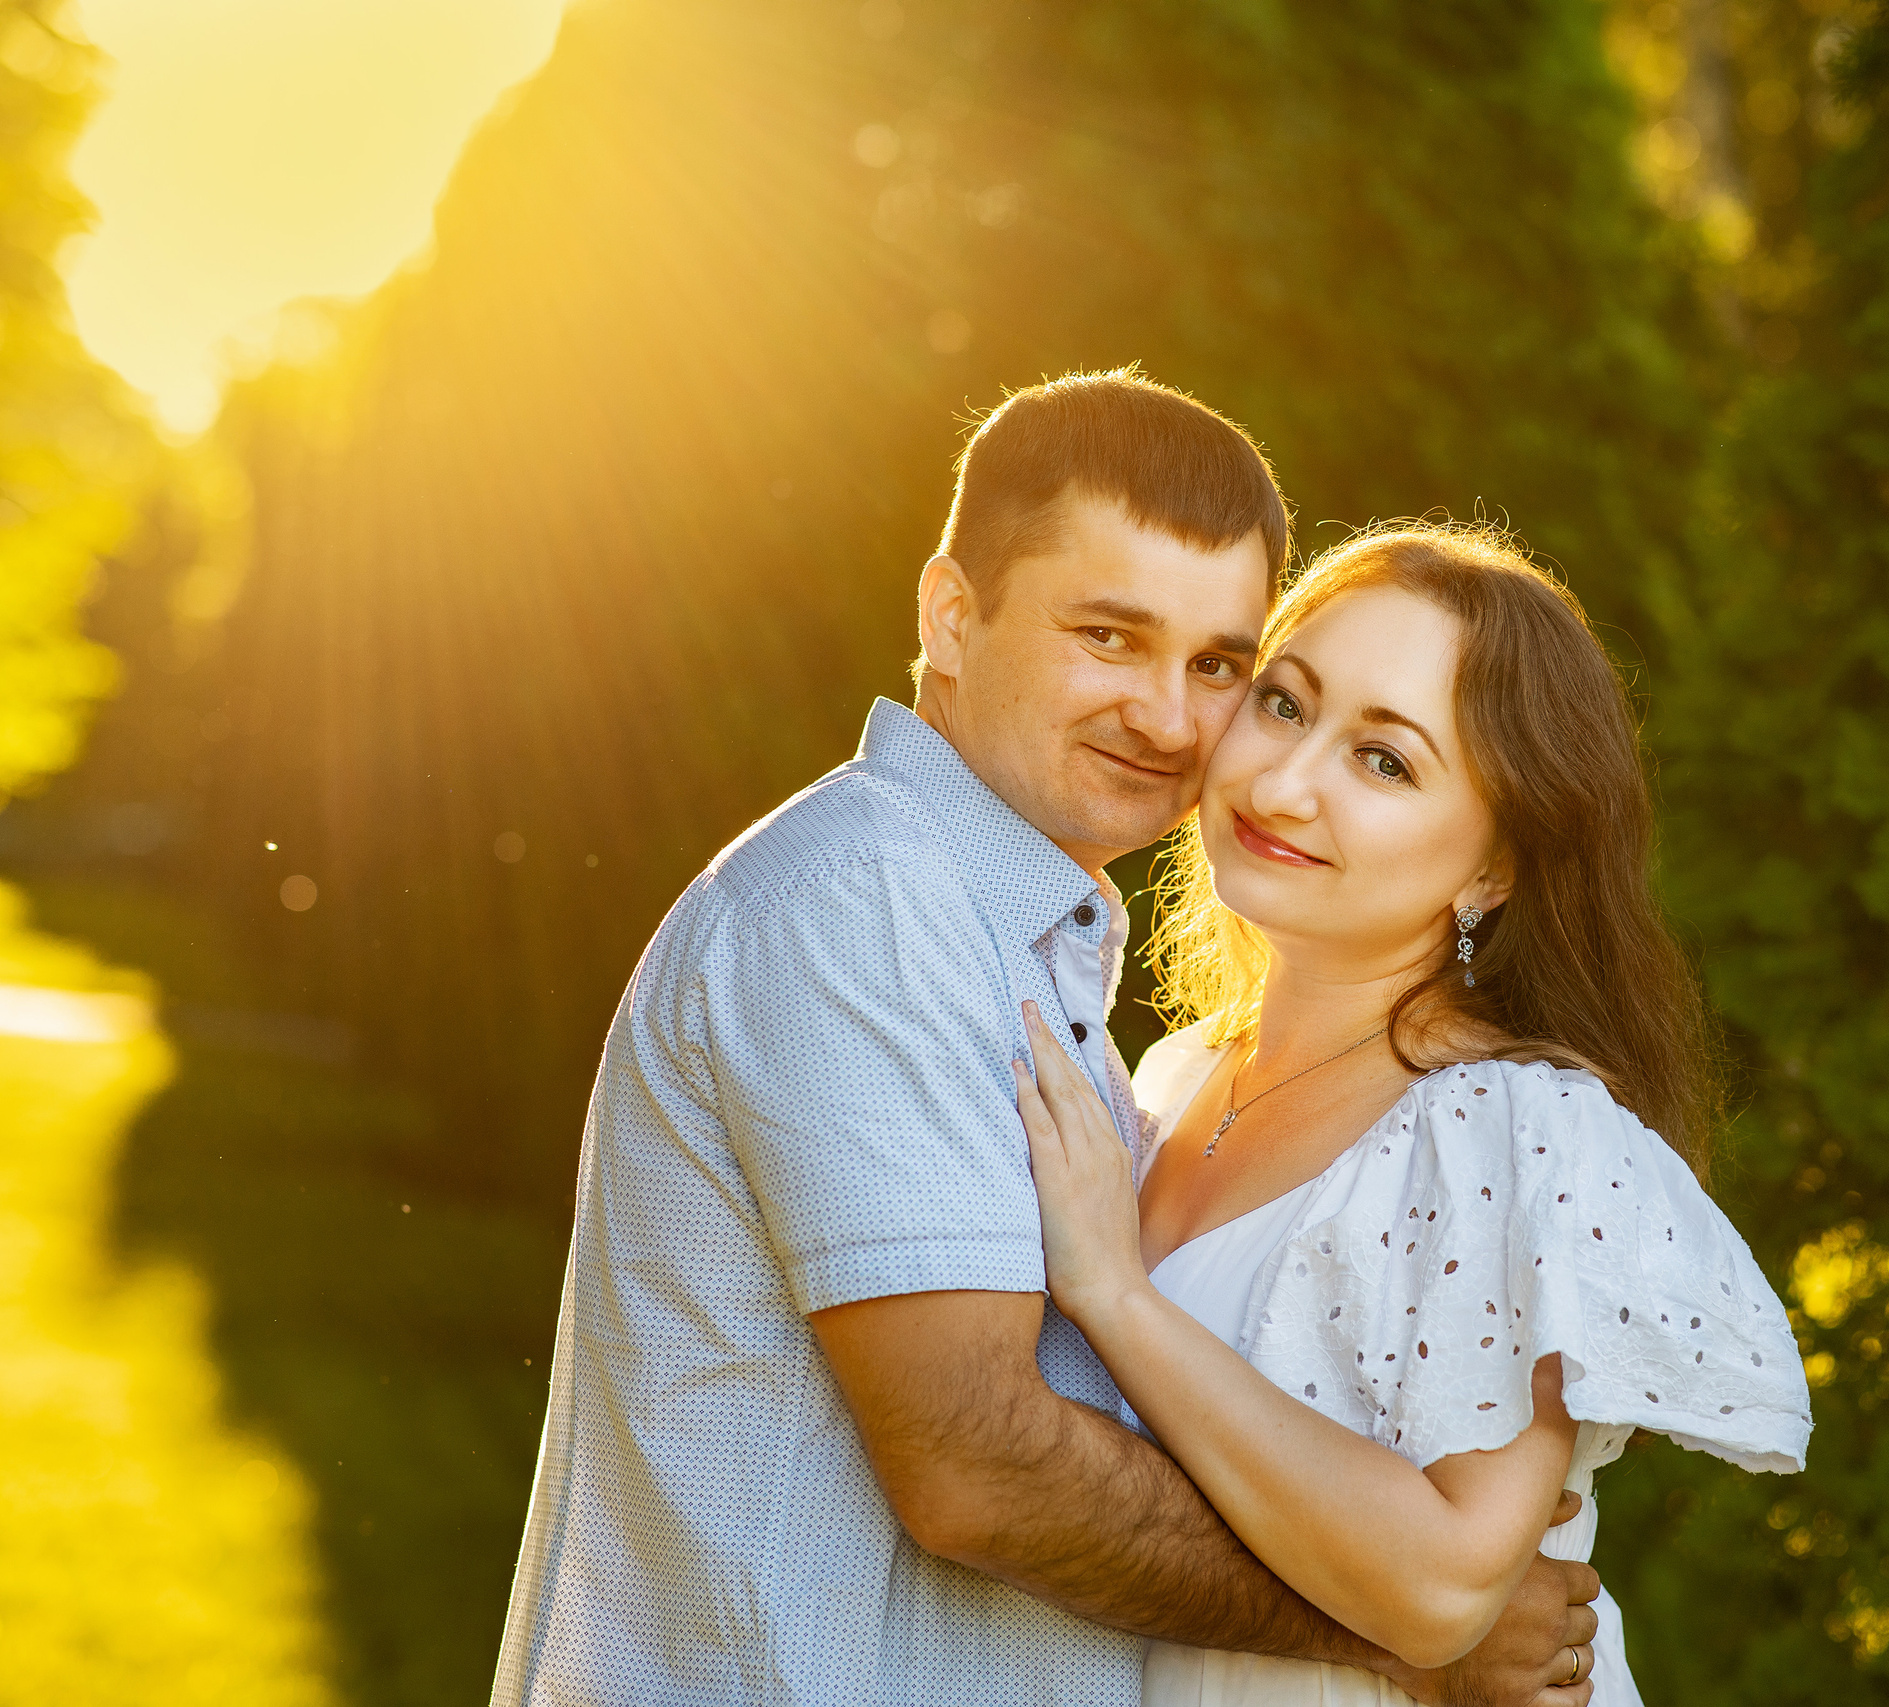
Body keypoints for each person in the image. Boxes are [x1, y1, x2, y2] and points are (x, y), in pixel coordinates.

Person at [489, 372, 1601, 1707]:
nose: (1171, 718)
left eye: (1219, 666)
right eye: (1110, 637)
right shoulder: (868, 908)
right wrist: (1411, 1622)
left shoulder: (1025, 945)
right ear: (951, 616)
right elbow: (978, 1465)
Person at [1012, 523, 1814, 1705]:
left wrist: (1117, 1299)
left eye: (1385, 762)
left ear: (1495, 868)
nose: (1283, 783)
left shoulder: (1506, 1128)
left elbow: (1443, 1589)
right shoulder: (1171, 1078)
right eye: (1284, 704)